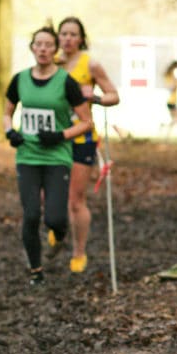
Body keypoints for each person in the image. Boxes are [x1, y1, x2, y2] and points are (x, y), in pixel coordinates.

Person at [2, 25, 93, 285]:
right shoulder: (19, 79)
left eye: (48, 45)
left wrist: (60, 135)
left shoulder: (66, 81)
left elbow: (86, 122)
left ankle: (60, 235)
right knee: (31, 215)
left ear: (55, 50)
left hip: (57, 157)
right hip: (27, 156)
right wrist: (11, 132)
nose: (42, 49)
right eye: (38, 44)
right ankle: (36, 270)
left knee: (55, 218)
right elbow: (6, 112)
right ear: (32, 48)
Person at [56, 16, 120, 273]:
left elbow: (114, 96)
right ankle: (56, 227)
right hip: (55, 135)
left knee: (75, 199)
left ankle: (79, 252)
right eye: (64, 34)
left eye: (73, 34)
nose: (68, 39)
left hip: (82, 137)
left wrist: (92, 96)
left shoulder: (90, 64)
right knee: (47, 194)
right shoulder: (51, 62)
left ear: (81, 38)